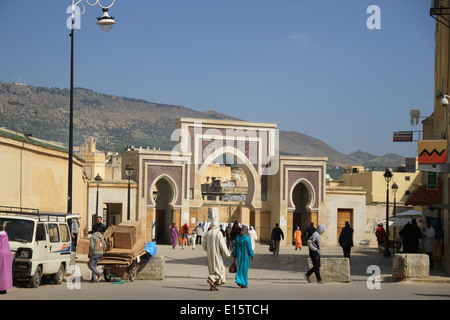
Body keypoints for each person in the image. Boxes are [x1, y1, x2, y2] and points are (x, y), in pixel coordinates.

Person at [203, 214, 231, 291]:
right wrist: (227, 254)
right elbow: (223, 245)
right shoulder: (219, 233)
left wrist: (208, 250)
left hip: (209, 255)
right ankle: (211, 279)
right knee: (220, 270)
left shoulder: (208, 233)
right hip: (217, 255)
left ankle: (213, 286)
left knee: (212, 269)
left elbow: (204, 244)